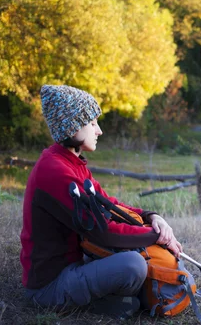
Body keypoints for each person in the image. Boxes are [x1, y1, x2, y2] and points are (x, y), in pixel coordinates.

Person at [20, 84, 182, 319]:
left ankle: (117, 299)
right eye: (93, 123)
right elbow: (101, 232)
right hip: (49, 286)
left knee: (132, 258)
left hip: (75, 262)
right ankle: (104, 303)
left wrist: (151, 216)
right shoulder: (55, 170)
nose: (99, 131)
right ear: (73, 127)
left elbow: (109, 205)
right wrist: (154, 236)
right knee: (133, 264)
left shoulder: (71, 162)